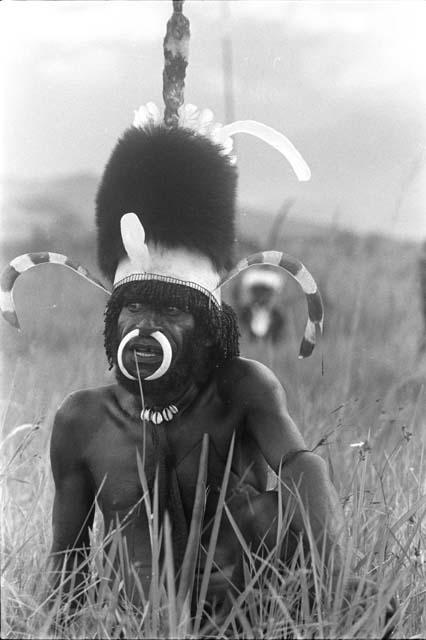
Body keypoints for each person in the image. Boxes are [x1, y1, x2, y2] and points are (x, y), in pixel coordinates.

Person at [45, 104, 344, 612]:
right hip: (133, 622)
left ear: (208, 329)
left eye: (171, 311)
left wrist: (333, 578)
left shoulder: (243, 390)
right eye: (133, 306)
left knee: (271, 511)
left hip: (246, 617)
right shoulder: (82, 420)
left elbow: (300, 470)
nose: (145, 328)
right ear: (112, 315)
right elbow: (67, 567)